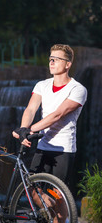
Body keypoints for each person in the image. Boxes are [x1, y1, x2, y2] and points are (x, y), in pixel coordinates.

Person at [12, 44, 87, 222]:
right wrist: (23, 129)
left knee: (60, 193)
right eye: (50, 59)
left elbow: (57, 115)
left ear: (67, 64)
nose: (51, 62)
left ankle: (60, 217)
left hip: (64, 149)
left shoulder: (78, 89)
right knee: (30, 188)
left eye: (56, 59)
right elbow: (31, 109)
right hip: (43, 145)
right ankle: (52, 210)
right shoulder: (42, 85)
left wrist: (30, 129)